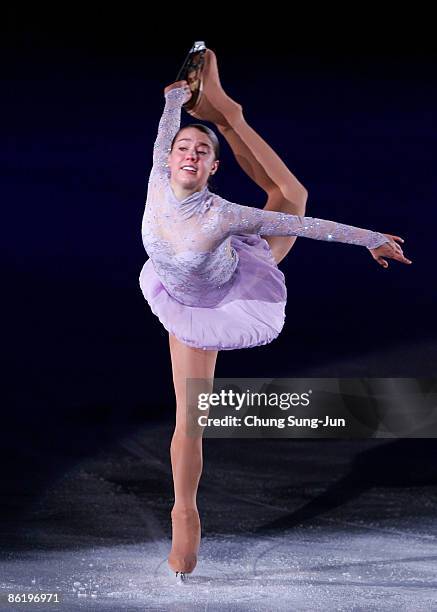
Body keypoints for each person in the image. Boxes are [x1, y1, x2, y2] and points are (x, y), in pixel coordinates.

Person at [139, 48, 412, 582]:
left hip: (233, 288)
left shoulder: (222, 212)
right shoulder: (156, 174)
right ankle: (184, 511)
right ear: (168, 158)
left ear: (214, 168)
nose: (190, 154)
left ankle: (231, 117)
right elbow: (168, 122)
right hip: (186, 300)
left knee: (292, 199)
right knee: (189, 417)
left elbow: (314, 228)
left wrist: (373, 240)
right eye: (183, 148)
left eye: (202, 150)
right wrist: (178, 95)